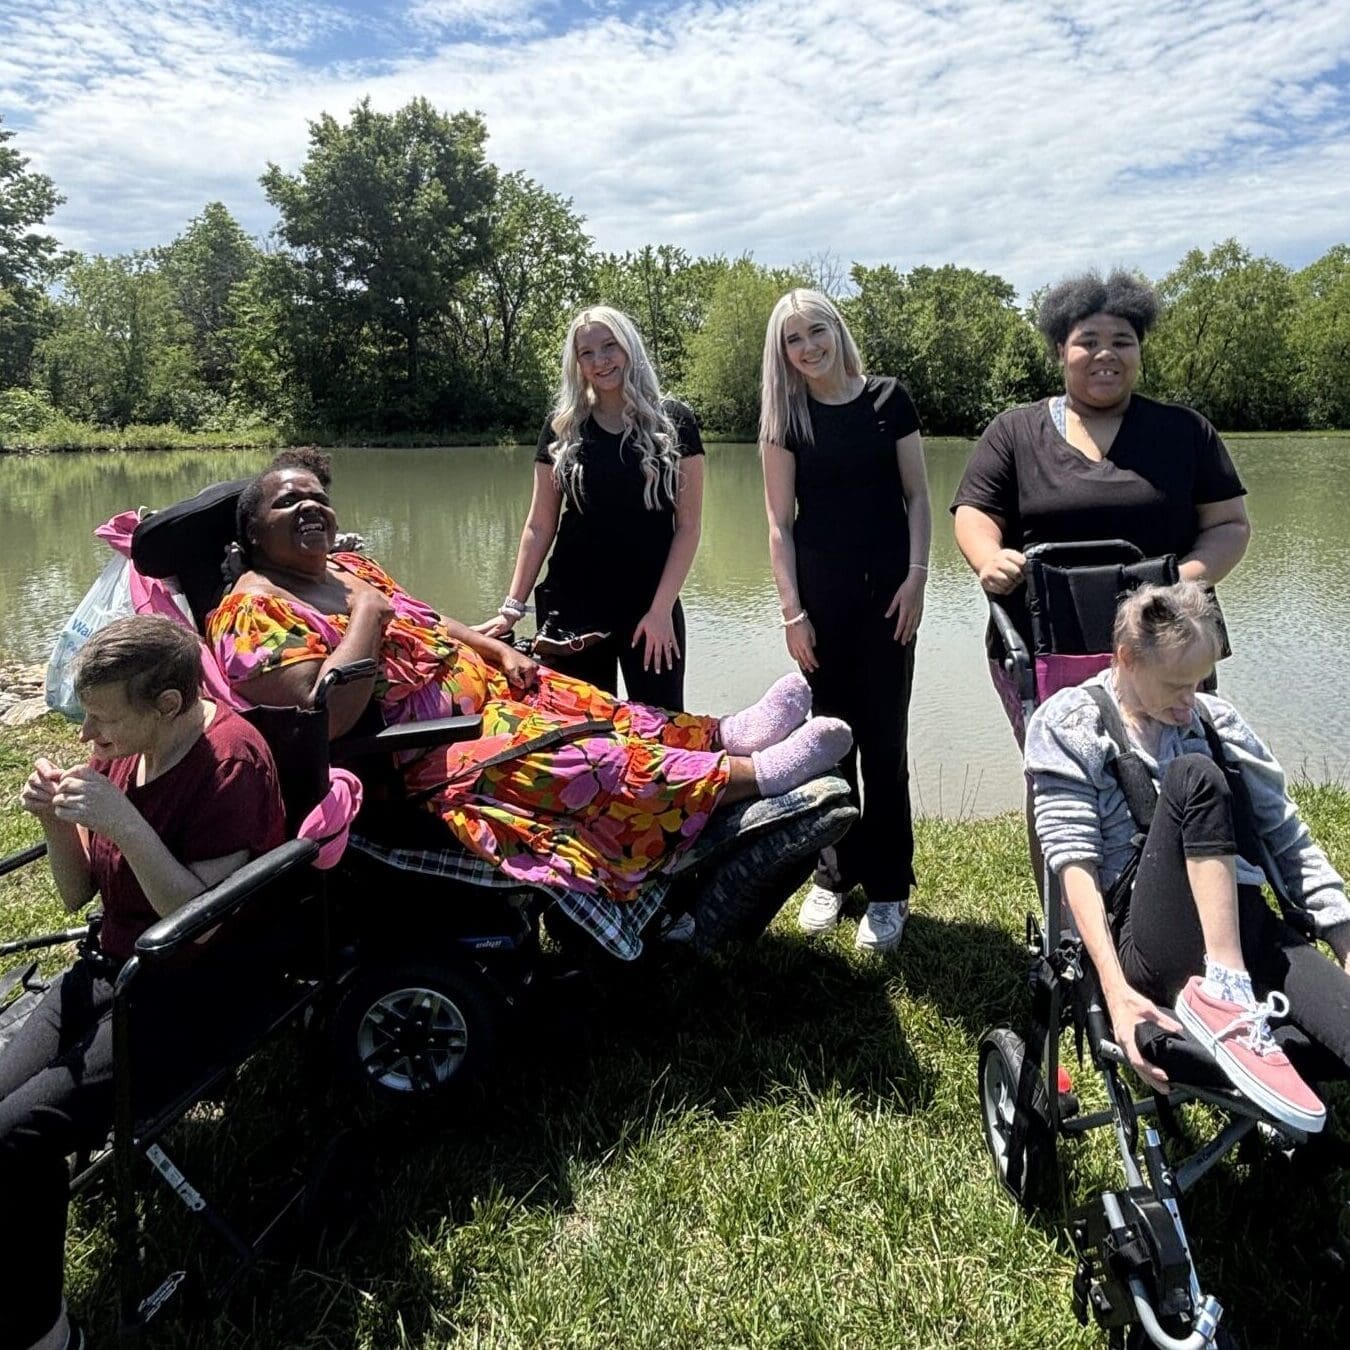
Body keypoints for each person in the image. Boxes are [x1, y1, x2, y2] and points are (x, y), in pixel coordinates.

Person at [206, 452, 851, 909]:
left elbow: (435, 622)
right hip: (428, 748)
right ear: (253, 533)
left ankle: (728, 734)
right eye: (288, 501)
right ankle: (755, 777)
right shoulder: (251, 611)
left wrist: (499, 650)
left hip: (482, 690)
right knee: (589, 758)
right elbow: (326, 718)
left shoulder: (347, 568)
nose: (311, 507)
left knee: (602, 707)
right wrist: (368, 619)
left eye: (317, 496)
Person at [2, 616, 286, 1350]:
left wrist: (124, 823)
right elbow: (75, 899)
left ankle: (47, 1332)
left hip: (197, 993)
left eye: (102, 716)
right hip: (116, 970)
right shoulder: (129, 751)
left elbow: (196, 925)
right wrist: (57, 824)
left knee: (15, 1137)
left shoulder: (232, 765)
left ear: (167, 704)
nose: (88, 734)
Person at [1026, 581, 1349, 1133]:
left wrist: (1344, 935)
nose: (1188, 702)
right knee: (1196, 777)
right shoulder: (1070, 721)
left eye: (1198, 682)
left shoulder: (1216, 721)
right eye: (1176, 685)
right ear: (1126, 658)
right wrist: (1115, 991)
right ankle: (1225, 991)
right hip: (1148, 936)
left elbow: (1283, 833)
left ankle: (1234, 986)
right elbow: (1072, 863)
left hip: (1246, 926)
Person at [952, 269, 1251, 742]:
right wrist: (988, 558)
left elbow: (1229, 525)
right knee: (1060, 774)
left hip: (1168, 636)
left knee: (1178, 767)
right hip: (1041, 642)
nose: (1105, 354)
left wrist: (1182, 580)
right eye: (1087, 341)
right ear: (1059, 351)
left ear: (1139, 351)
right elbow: (975, 513)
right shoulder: (1013, 432)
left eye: (1123, 341)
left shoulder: (1186, 431)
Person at [759, 289, 932, 955]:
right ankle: (834, 874)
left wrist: (917, 577)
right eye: (793, 339)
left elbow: (918, 496)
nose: (808, 347)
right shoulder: (786, 418)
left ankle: (889, 887)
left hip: (891, 598)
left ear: (838, 330)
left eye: (817, 331)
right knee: (831, 740)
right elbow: (777, 525)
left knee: (885, 746)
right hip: (820, 605)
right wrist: (792, 613)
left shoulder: (889, 399)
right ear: (784, 353)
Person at [477, 306, 704, 709]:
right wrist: (511, 610)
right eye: (587, 352)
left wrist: (661, 610)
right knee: (587, 741)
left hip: (651, 609)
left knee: (665, 734)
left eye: (609, 346)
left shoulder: (675, 423)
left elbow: (688, 527)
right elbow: (539, 526)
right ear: (576, 362)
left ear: (629, 347)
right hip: (573, 609)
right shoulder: (563, 426)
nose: (600, 360)